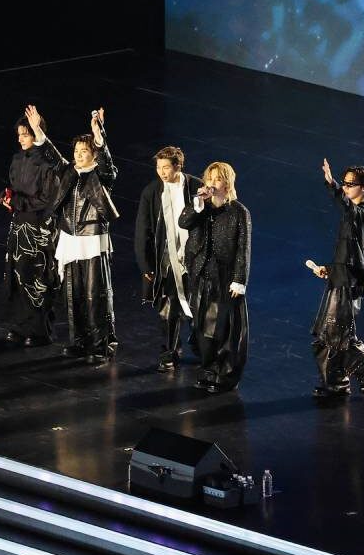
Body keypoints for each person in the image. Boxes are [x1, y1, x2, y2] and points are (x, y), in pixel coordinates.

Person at [40, 106, 118, 365]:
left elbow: (107, 164)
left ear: (93, 154)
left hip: (92, 240)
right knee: (73, 295)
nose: (78, 155)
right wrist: (39, 132)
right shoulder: (70, 173)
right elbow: (52, 157)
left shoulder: (100, 175)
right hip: (70, 239)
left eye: (84, 151)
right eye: (76, 151)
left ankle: (100, 345)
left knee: (95, 294)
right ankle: (79, 341)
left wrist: (99, 136)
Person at [309, 159, 364, 399]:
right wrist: (329, 269)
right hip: (341, 278)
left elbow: (349, 209)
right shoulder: (352, 215)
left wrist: (331, 183)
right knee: (328, 338)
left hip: (349, 283)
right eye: (344, 183)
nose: (345, 187)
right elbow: (347, 254)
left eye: (350, 184)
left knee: (339, 337)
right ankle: (336, 385)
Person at [181, 161, 253, 393]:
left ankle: (226, 375)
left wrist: (239, 279)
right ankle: (209, 370)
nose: (211, 184)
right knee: (203, 326)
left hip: (225, 276)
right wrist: (198, 205)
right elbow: (184, 222)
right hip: (201, 273)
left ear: (227, 183)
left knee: (224, 328)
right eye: (209, 179)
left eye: (217, 179)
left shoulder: (239, 212)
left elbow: (244, 248)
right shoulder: (202, 207)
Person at [0, 110, 66, 346]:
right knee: (18, 274)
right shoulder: (18, 159)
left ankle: (39, 330)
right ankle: (20, 325)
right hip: (19, 224)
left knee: (37, 277)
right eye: (19, 135)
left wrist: (18, 202)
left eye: (25, 134)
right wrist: (7, 198)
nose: (20, 139)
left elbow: (49, 199)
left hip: (38, 227)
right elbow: (14, 187)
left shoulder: (47, 164)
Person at [134, 146, 200, 372]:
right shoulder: (151, 192)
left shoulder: (195, 187)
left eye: (166, 167)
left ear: (178, 166)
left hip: (193, 258)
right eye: (158, 167)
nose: (161, 172)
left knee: (198, 305)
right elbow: (143, 230)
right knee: (168, 308)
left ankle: (201, 346)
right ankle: (169, 352)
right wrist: (146, 264)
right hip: (166, 260)